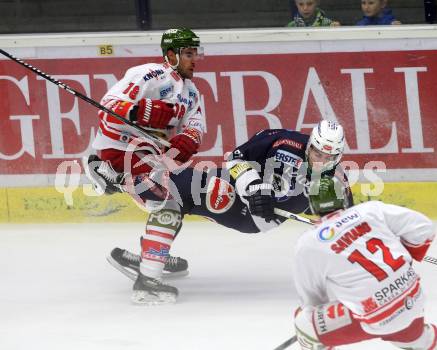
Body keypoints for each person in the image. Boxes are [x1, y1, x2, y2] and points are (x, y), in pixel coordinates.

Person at [85, 120, 353, 303]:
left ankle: (119, 190)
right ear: (310, 144)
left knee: (177, 192)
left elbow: (347, 228)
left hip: (254, 217)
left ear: (338, 156)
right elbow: (235, 157)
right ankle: (152, 258)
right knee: (176, 185)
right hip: (236, 187)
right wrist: (254, 185)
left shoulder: (335, 183)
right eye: (318, 153)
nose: (321, 161)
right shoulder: (284, 141)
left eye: (329, 158)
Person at [84, 27, 205, 305]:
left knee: (179, 200)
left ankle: (151, 256)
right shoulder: (149, 74)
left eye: (195, 53)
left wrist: (188, 140)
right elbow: (107, 110)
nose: (194, 59)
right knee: (168, 203)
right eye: (188, 53)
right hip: (122, 149)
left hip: (151, 157)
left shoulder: (192, 93)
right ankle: (148, 279)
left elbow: (196, 125)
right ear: (171, 55)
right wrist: (143, 111)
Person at [292, 176, 437, 349]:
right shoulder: (370, 210)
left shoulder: (308, 243)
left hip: (376, 315)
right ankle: (422, 341)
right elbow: (424, 228)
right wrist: (406, 259)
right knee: (415, 336)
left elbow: (312, 302)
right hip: (413, 297)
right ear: (344, 196)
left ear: (312, 205)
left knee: (304, 322)